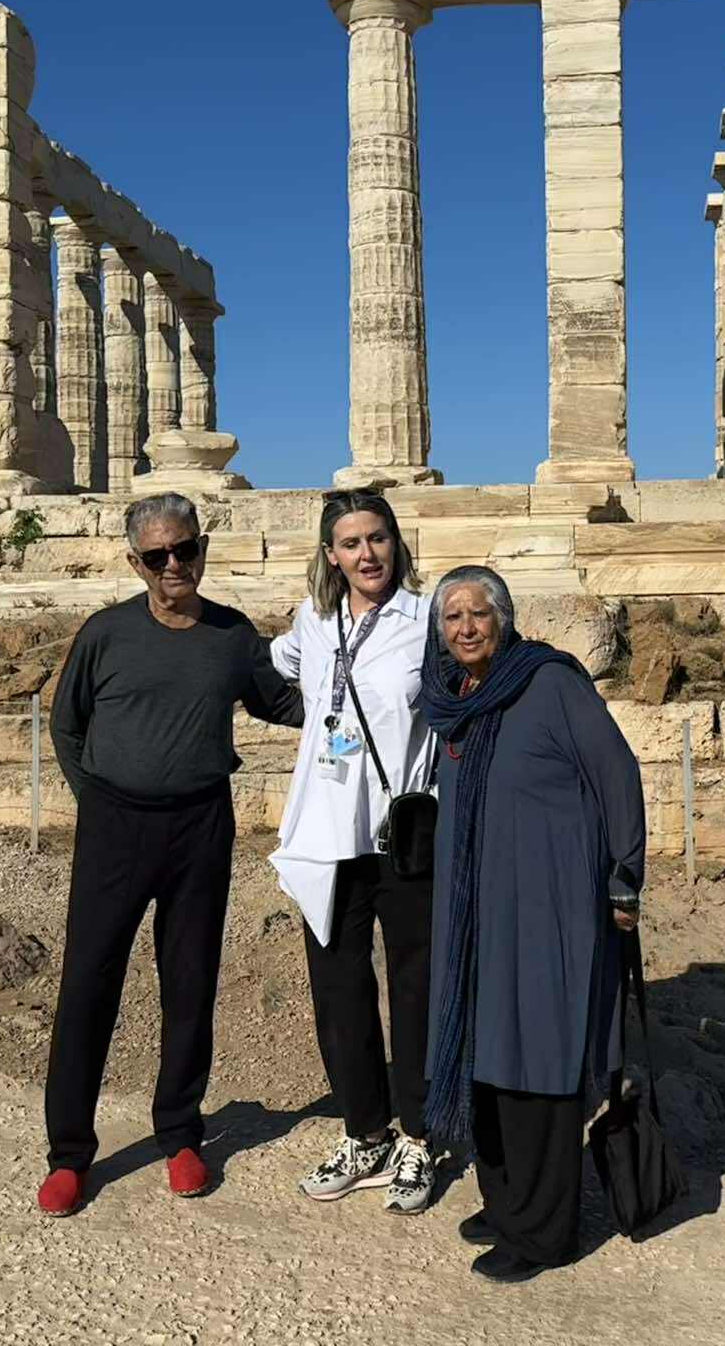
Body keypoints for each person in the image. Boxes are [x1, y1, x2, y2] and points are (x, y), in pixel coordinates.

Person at [36, 492, 305, 1217]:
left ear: (202, 550)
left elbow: (284, 704)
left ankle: (181, 1134)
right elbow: (67, 725)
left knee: (189, 982)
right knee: (88, 984)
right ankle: (69, 1154)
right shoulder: (105, 633)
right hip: (114, 826)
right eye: (157, 555)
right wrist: (96, 801)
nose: (173, 565)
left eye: (184, 549)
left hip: (199, 824)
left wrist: (369, 689)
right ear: (136, 563)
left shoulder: (232, 634)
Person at [420, 564, 646, 1284]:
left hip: (548, 909)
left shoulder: (549, 684)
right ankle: (506, 1202)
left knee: (537, 1063)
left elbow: (617, 774)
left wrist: (625, 878)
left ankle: (544, 1232)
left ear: (505, 619)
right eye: (452, 617)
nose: (466, 628)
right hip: (478, 914)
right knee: (487, 1058)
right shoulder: (457, 697)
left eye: (479, 613)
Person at [268, 489, 438, 1212]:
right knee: (338, 990)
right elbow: (270, 675)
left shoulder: (427, 619)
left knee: (416, 988)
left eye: (378, 538)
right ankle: (365, 1131)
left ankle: (421, 1137)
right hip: (328, 834)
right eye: (351, 542)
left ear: (396, 543)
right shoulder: (312, 622)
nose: (367, 554)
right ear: (330, 555)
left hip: (402, 834)